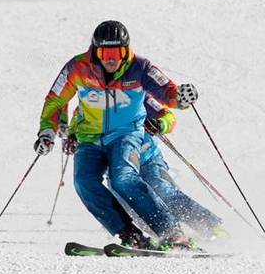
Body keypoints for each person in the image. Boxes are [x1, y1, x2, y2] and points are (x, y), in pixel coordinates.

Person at [35, 20, 199, 250]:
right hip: (89, 137)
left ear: (126, 51)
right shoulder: (77, 67)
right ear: (95, 51)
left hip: (126, 135)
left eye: (117, 52)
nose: (111, 59)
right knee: (84, 182)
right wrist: (47, 133)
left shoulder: (140, 67)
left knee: (123, 178)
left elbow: (167, 92)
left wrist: (180, 98)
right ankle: (129, 234)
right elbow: (56, 100)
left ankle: (171, 232)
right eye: (105, 52)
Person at [60, 95, 227, 243]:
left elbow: (168, 116)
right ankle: (146, 238)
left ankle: (210, 225)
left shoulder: (137, 96)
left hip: (148, 160)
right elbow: (77, 122)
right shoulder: (90, 101)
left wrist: (159, 124)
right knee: (127, 204)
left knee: (161, 190)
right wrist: (73, 137)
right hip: (118, 166)